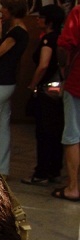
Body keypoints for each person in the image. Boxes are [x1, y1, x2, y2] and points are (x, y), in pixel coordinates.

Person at [0, 0, 29, 179]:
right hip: (7, 80)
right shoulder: (17, 31)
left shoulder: (17, 32)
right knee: (2, 124)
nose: (1, 10)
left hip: (3, 81)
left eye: (4, 7)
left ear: (11, 10)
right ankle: (2, 169)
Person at [22, 4, 66, 186]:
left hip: (46, 91)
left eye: (41, 17)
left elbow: (43, 65)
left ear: (49, 20)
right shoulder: (61, 38)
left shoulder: (48, 40)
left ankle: (42, 172)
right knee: (55, 132)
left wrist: (33, 85)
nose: (38, 19)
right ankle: (54, 170)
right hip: (59, 90)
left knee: (44, 132)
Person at [56, 3, 80, 201]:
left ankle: (74, 187)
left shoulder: (79, 12)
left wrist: (63, 72)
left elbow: (64, 46)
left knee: (73, 134)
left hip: (77, 82)